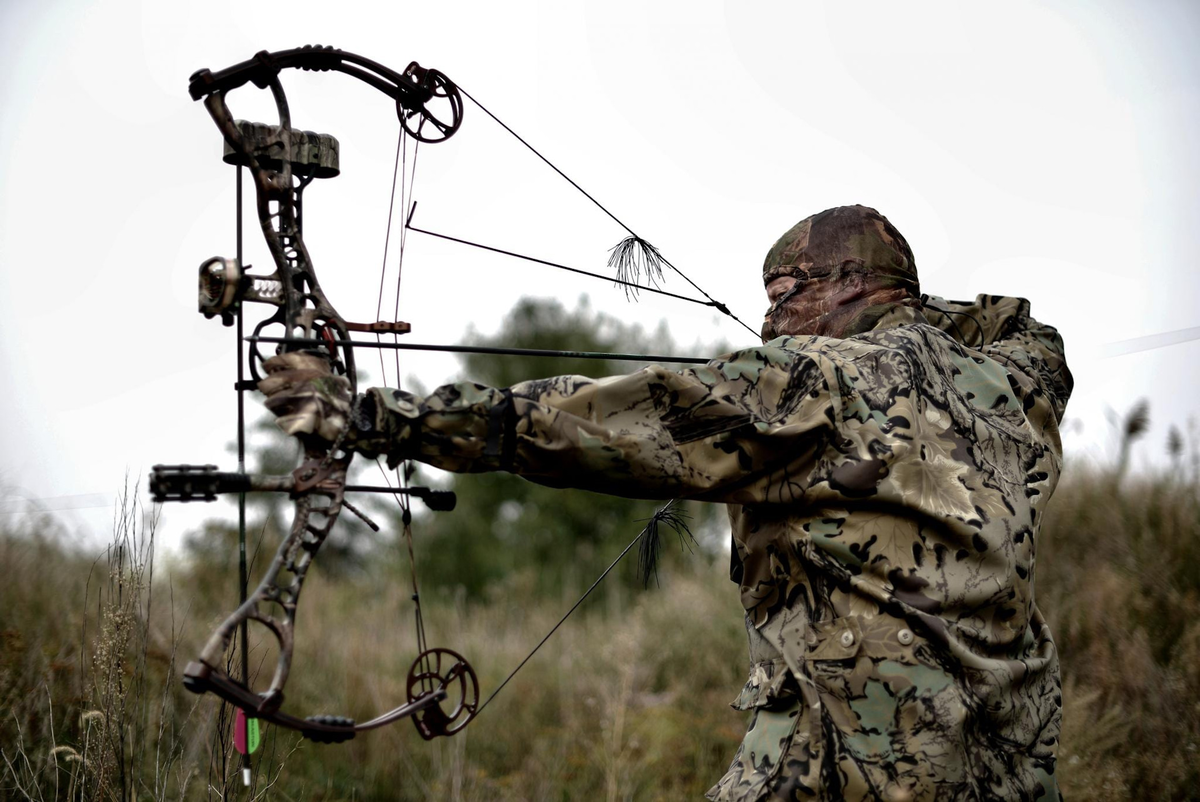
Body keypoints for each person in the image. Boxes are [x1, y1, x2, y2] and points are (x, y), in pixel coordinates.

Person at [260, 205, 1073, 801]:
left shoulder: (813, 379)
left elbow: (604, 421)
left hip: (850, 757)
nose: (768, 318)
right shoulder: (1016, 382)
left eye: (787, 292)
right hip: (1006, 762)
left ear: (852, 284)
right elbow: (1021, 324)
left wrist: (376, 417)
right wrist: (907, 314)